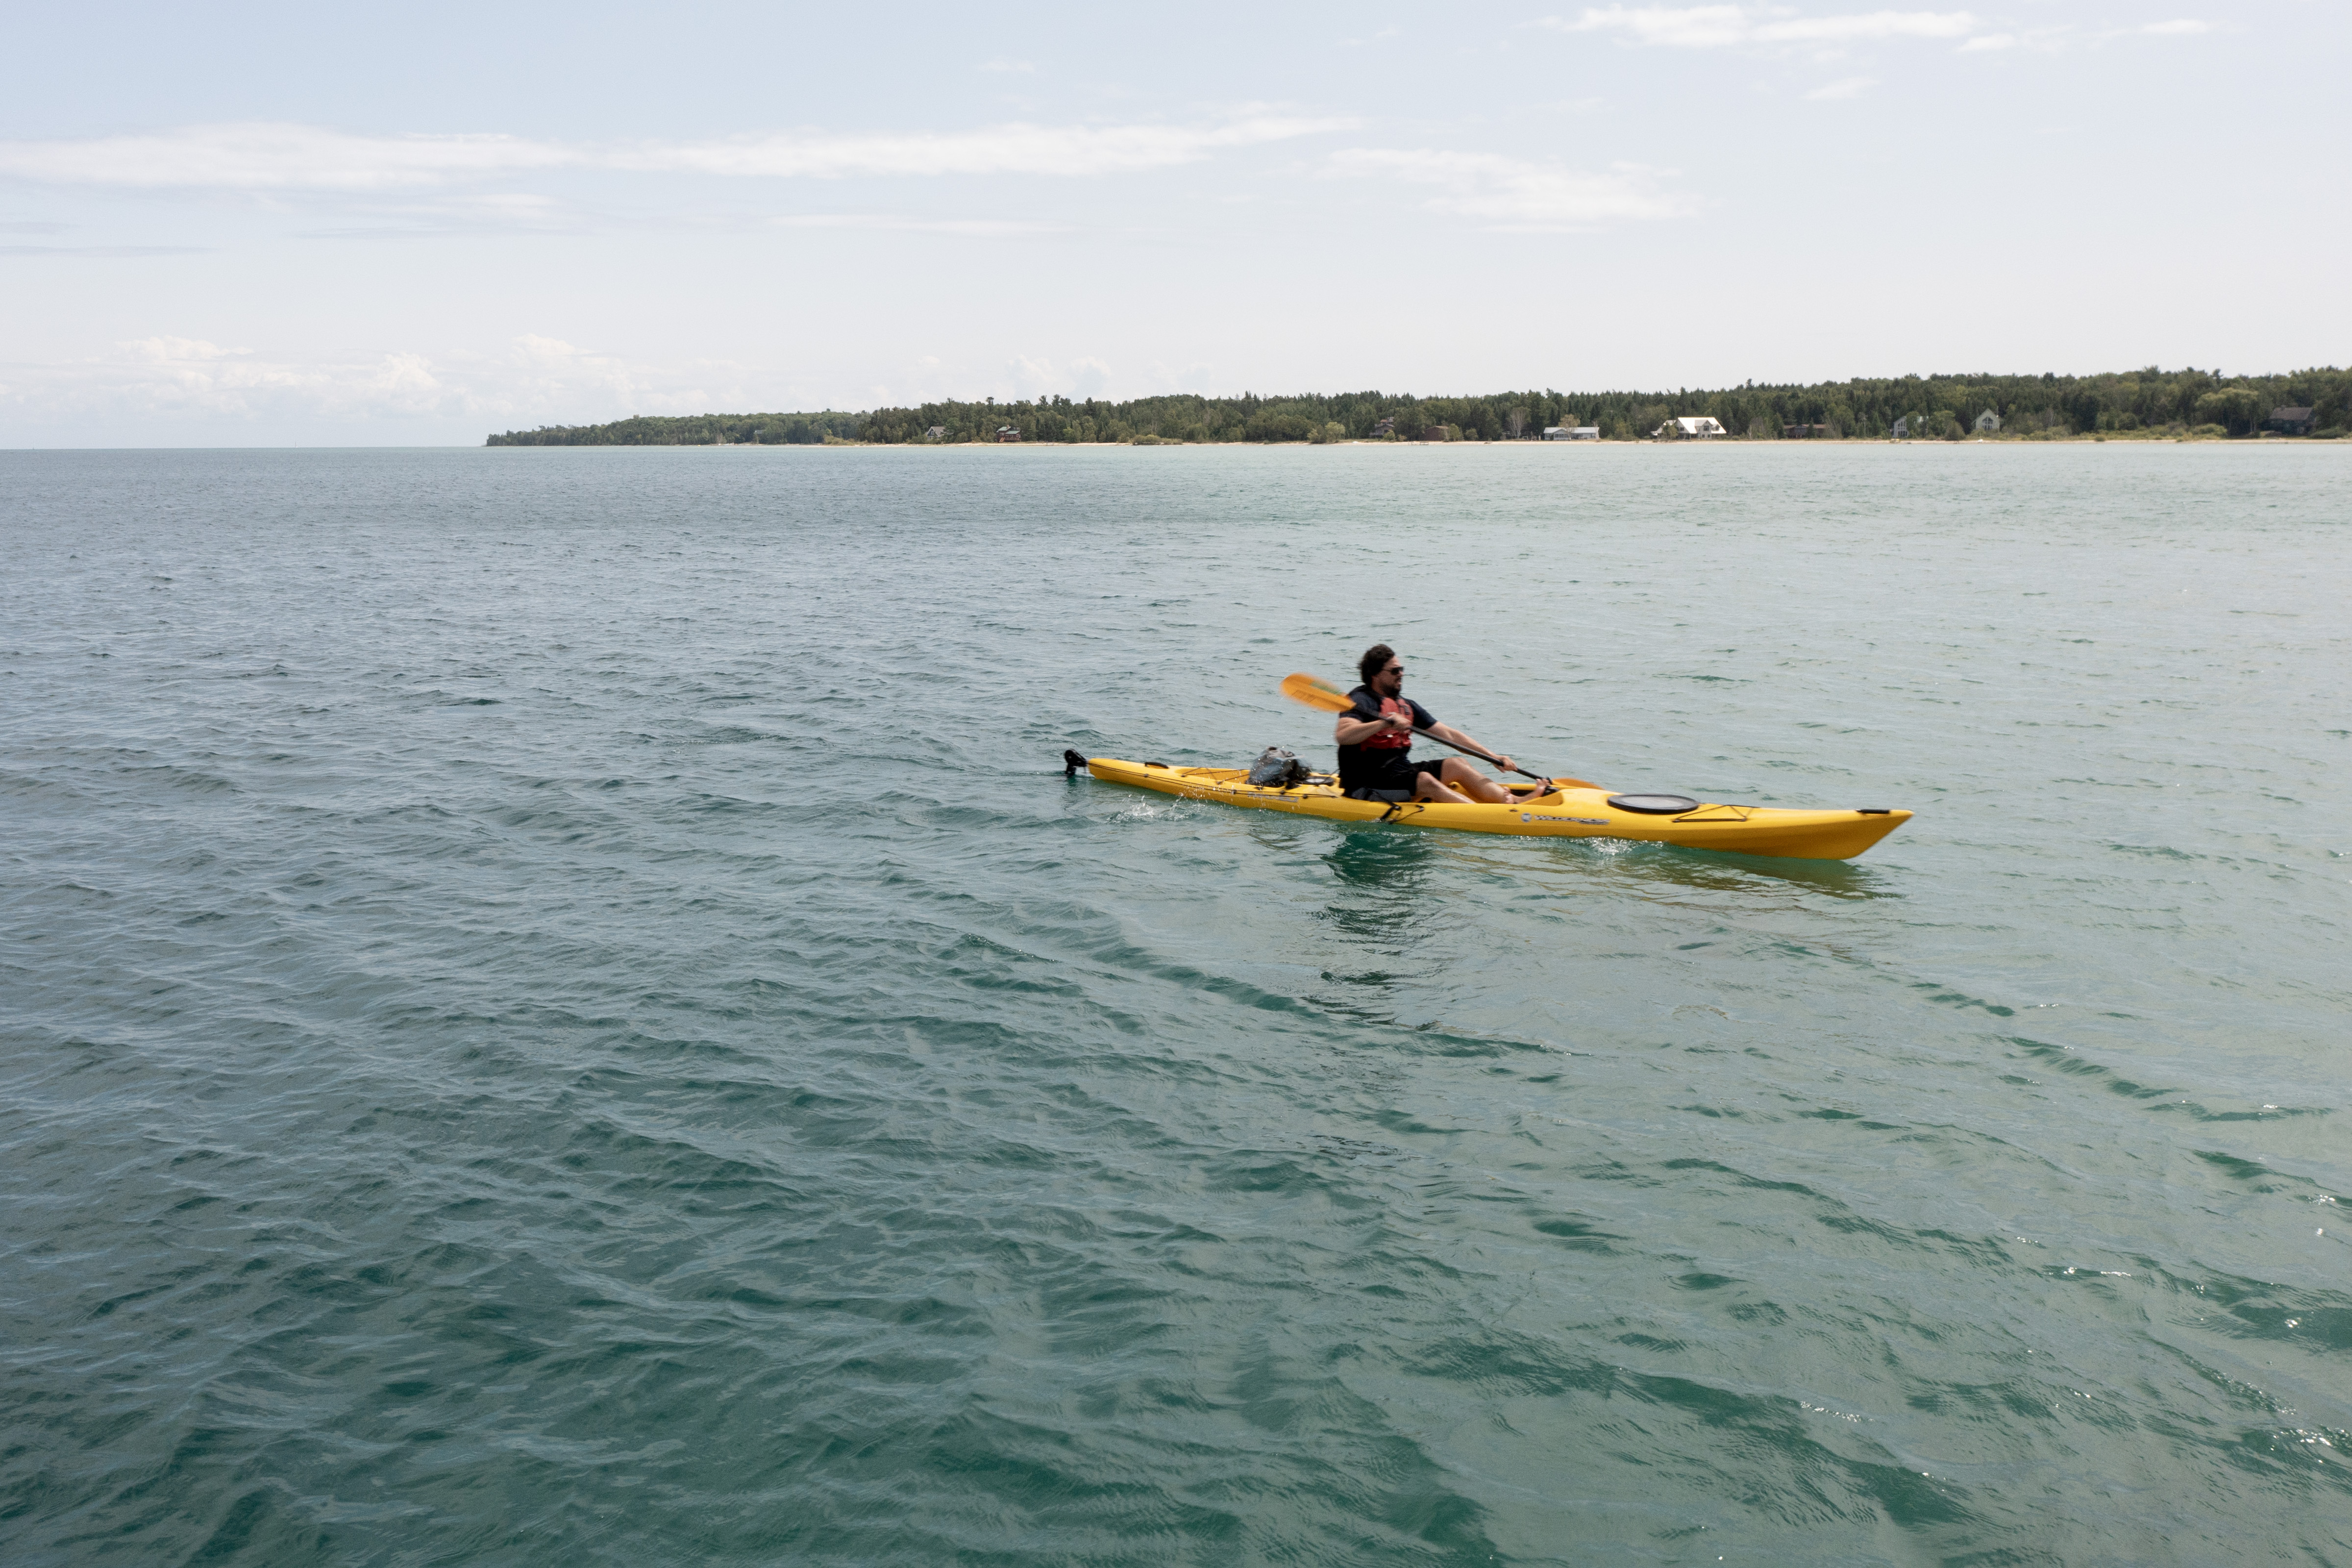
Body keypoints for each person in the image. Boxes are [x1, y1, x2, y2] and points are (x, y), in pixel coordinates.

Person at [1334, 644, 1523, 805]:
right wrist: (1383, 724)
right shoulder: (1360, 700)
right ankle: (1484, 815)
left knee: (1457, 764)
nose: (1401, 674)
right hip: (1366, 784)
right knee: (1426, 780)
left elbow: (1450, 736)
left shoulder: (1406, 705)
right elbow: (1344, 735)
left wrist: (1493, 757)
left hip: (1398, 774)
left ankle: (1513, 802)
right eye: (1394, 671)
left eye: (1401, 669)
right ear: (1375, 675)